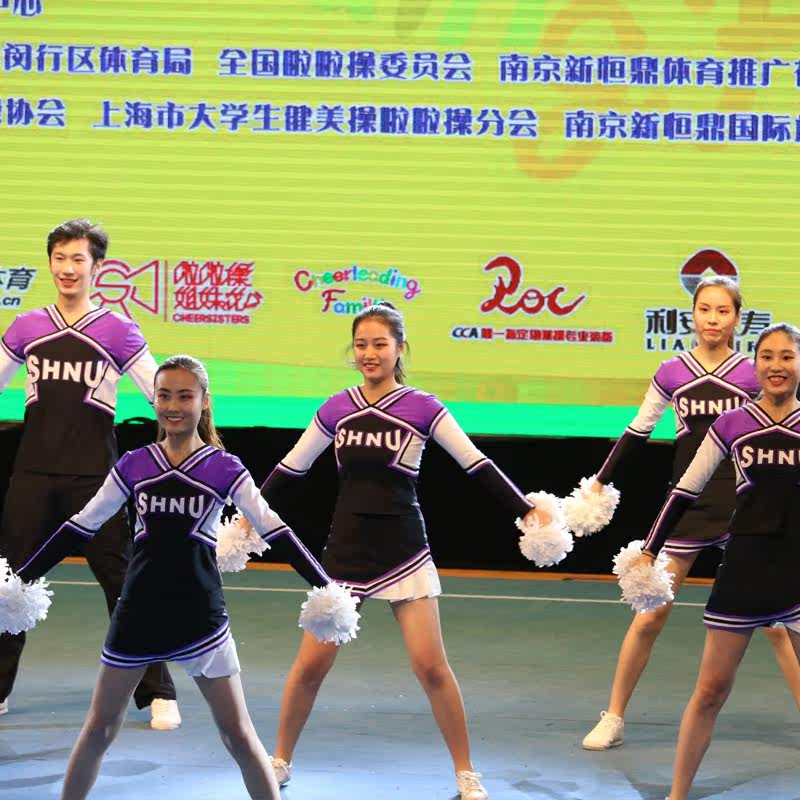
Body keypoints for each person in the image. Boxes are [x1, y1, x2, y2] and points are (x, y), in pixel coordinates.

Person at [14, 354, 337, 800]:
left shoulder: (224, 468)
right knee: (99, 728)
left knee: (239, 736)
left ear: (204, 402)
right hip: (137, 617)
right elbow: (81, 525)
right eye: (164, 395)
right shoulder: (134, 464)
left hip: (201, 618)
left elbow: (273, 528)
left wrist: (325, 587)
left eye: (185, 396)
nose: (173, 406)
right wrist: (19, 581)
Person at [259, 302, 547, 800]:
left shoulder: (422, 407)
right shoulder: (335, 408)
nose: (369, 353)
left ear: (400, 348)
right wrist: (250, 514)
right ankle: (279, 761)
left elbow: (475, 463)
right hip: (345, 552)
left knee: (431, 667)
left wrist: (524, 509)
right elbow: (291, 468)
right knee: (309, 668)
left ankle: (466, 774)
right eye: (361, 345)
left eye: (380, 344)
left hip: (404, 550)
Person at [580, 277, 800, 750]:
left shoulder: (753, 373)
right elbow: (638, 430)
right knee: (650, 615)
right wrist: (599, 480)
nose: (713, 319)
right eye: (705, 309)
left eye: (723, 311)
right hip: (690, 505)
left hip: (746, 510)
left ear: (738, 319)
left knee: (779, 627)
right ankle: (613, 716)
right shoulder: (673, 371)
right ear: (693, 315)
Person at [0, 219, 178, 729]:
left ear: (97, 267)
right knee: (10, 585)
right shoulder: (26, 327)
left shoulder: (118, 330)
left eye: (78, 259)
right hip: (32, 477)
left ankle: (158, 691)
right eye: (59, 258)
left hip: (97, 481)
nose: (67, 268)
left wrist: (190, 447)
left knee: (124, 584)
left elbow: (161, 393)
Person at [627, 323, 800, 799]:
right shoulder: (732, 424)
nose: (776, 366)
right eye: (767, 356)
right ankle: (677, 794)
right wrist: (650, 548)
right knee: (709, 693)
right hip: (745, 570)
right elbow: (685, 489)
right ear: (755, 364)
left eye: (787, 356)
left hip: (797, 572)